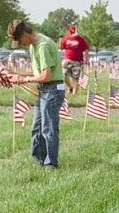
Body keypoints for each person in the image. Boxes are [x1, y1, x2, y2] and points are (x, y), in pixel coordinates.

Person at [6, 20, 65, 170]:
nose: (20, 44)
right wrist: (18, 74)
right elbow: (38, 72)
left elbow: (46, 76)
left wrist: (24, 79)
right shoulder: (33, 46)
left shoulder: (43, 46)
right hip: (43, 89)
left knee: (48, 128)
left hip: (52, 90)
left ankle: (51, 164)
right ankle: (38, 159)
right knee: (37, 127)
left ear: (26, 35)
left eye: (20, 41)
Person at [59, 25, 89, 95]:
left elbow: (86, 50)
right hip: (66, 60)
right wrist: (60, 42)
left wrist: (86, 59)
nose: (75, 36)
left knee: (76, 78)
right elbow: (61, 48)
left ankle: (74, 94)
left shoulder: (81, 39)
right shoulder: (66, 38)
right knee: (63, 75)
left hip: (77, 61)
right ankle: (70, 87)